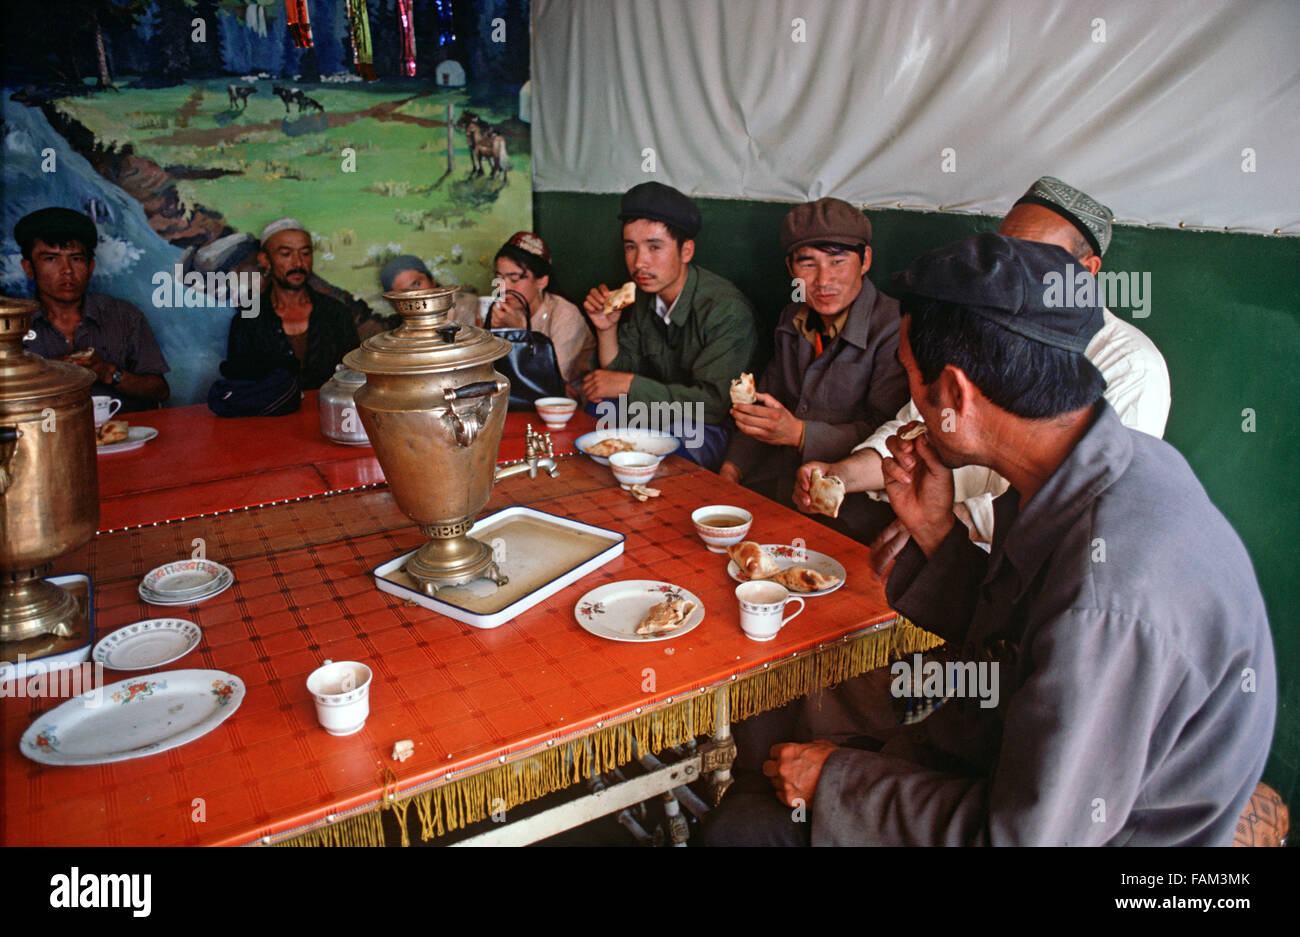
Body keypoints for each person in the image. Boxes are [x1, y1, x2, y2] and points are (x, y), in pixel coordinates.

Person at [702, 233, 1275, 846]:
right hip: (1024, 784)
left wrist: (839, 783)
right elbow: (1022, 640)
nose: (911, 405)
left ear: (953, 393)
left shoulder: (1109, 597)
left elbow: (1028, 839)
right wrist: (938, 535)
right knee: (772, 783)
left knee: (750, 827)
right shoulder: (1118, 463)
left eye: (912, 379)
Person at [796, 176, 1171, 559]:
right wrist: (843, 475)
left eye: (1035, 257)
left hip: (1012, 564)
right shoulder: (979, 327)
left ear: (1086, 271)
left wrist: (942, 527)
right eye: (1006, 252)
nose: (1011, 270)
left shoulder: (1131, 365)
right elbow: (916, 428)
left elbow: (1087, 505)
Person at [719, 199, 907, 538]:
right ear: (791, 268)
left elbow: (892, 433)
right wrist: (731, 471)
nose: (823, 280)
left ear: (865, 260)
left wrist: (801, 435)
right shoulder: (793, 319)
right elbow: (763, 408)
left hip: (852, 509)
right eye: (808, 264)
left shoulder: (893, 329)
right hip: (780, 488)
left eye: (838, 261)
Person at [581, 182, 757, 470]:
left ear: (686, 251)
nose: (640, 262)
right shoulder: (644, 297)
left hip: (705, 425)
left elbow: (713, 405)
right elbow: (614, 377)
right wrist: (606, 329)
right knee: (599, 410)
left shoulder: (726, 310)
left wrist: (629, 386)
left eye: (654, 247)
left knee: (675, 439)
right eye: (630, 248)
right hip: (656, 412)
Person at [17, 207, 169, 411]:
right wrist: (49, 373)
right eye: (51, 259)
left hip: (121, 435)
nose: (67, 271)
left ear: (90, 267)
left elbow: (160, 391)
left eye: (77, 259)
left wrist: (108, 372)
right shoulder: (12, 325)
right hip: (44, 438)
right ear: (28, 268)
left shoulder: (124, 316)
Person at [222, 218, 359, 391]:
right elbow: (240, 387)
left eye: (305, 253)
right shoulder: (248, 321)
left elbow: (355, 378)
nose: (298, 263)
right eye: (286, 254)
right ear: (265, 260)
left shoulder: (337, 314)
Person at [487, 231, 596, 389]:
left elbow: (549, 379)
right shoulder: (503, 310)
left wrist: (520, 332)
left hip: (568, 402)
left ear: (542, 282)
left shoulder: (566, 315)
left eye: (514, 278)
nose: (504, 287)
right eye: (499, 277)